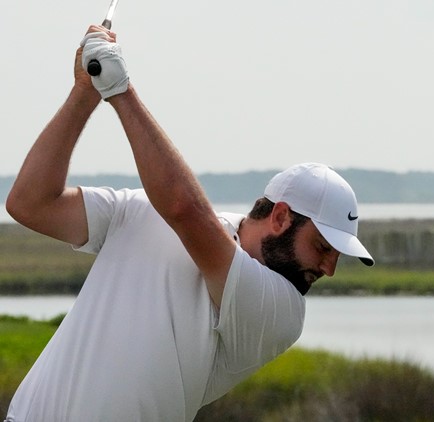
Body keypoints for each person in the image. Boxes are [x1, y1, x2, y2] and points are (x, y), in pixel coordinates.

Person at [4, 25, 373, 422]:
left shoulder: (282, 311)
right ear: (281, 217)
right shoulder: (145, 209)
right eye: (323, 247)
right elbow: (30, 203)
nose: (330, 269)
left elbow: (184, 209)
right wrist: (85, 91)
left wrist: (121, 91)